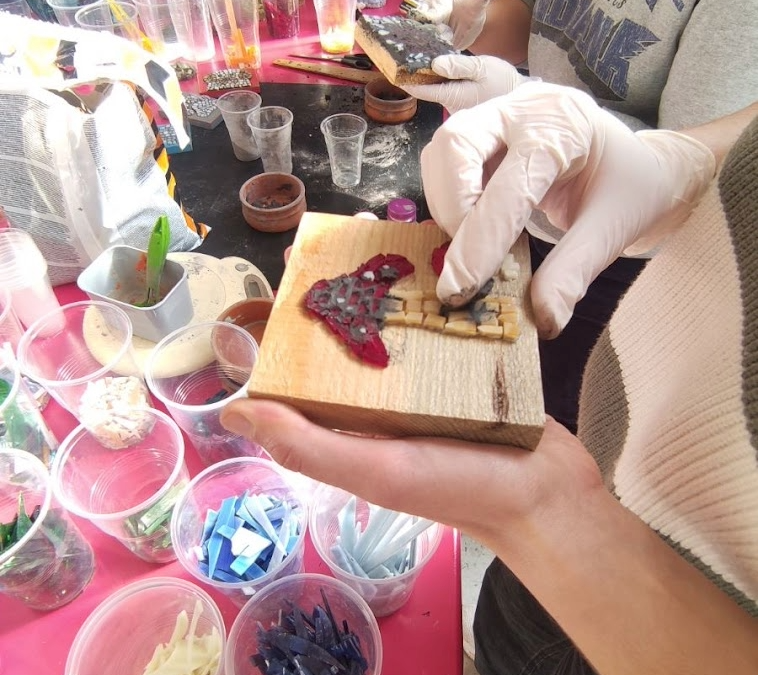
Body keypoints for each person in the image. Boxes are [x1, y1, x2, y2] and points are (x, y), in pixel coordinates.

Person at [220, 85, 758, 674]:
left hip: (664, 601)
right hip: (611, 468)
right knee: (507, 632)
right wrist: (684, 163)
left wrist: (546, 517)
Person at [400, 0, 758, 434]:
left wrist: (563, 119)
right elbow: (540, 26)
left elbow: (706, 151)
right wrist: (475, 23)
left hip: (618, 249)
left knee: (551, 416)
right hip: (525, 196)